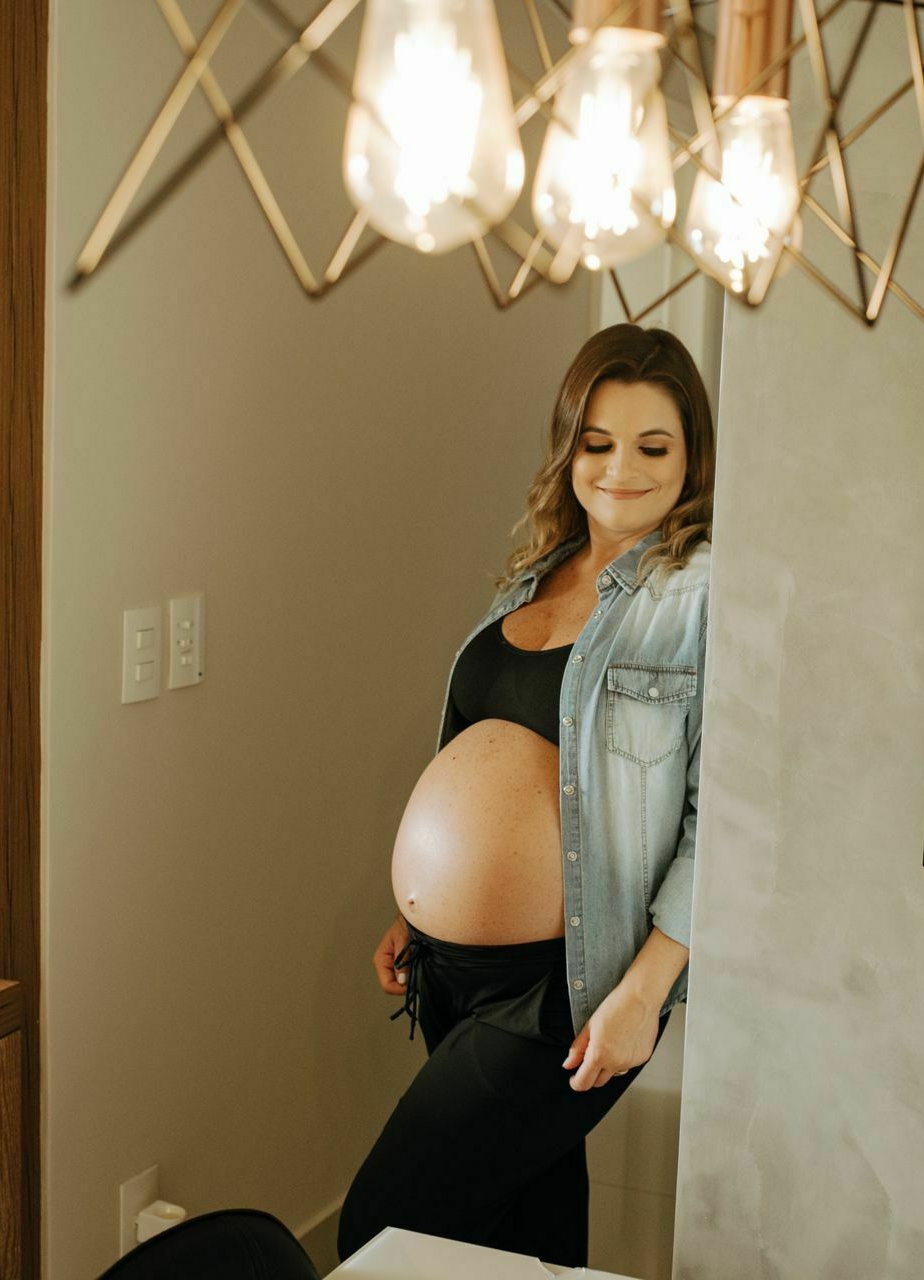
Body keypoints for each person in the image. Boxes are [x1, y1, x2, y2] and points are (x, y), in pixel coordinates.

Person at [336, 323, 714, 1266]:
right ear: (568, 450)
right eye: (598, 443)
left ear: (692, 457)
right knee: (520, 1234)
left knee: (383, 1227)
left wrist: (644, 994)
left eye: (652, 447)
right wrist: (417, 910)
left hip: (568, 990)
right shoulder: (536, 575)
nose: (620, 470)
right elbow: (484, 745)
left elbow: (724, 822)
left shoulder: (702, 596)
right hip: (450, 974)